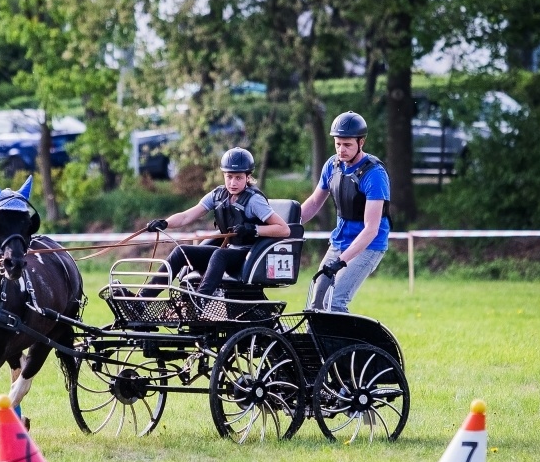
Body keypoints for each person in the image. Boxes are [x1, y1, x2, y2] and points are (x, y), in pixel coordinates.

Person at [137, 147, 291, 299]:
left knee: (219, 254)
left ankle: (201, 300)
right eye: (229, 176)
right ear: (224, 175)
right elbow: (186, 216)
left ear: (248, 176)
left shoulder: (254, 201)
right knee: (180, 251)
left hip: (248, 253)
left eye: (238, 178)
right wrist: (165, 223)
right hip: (228, 252)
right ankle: (142, 301)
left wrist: (254, 229)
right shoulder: (218, 195)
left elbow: (284, 230)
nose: (233, 183)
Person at [300, 110, 391, 313]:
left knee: (334, 302)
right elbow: (314, 202)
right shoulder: (332, 166)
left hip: (368, 245)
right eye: (338, 144)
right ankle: (317, 343)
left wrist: (341, 262)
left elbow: (371, 229)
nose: (341, 150)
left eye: (347, 145)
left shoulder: (374, 174)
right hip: (340, 241)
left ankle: (350, 345)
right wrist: (287, 225)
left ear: (361, 142)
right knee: (317, 301)